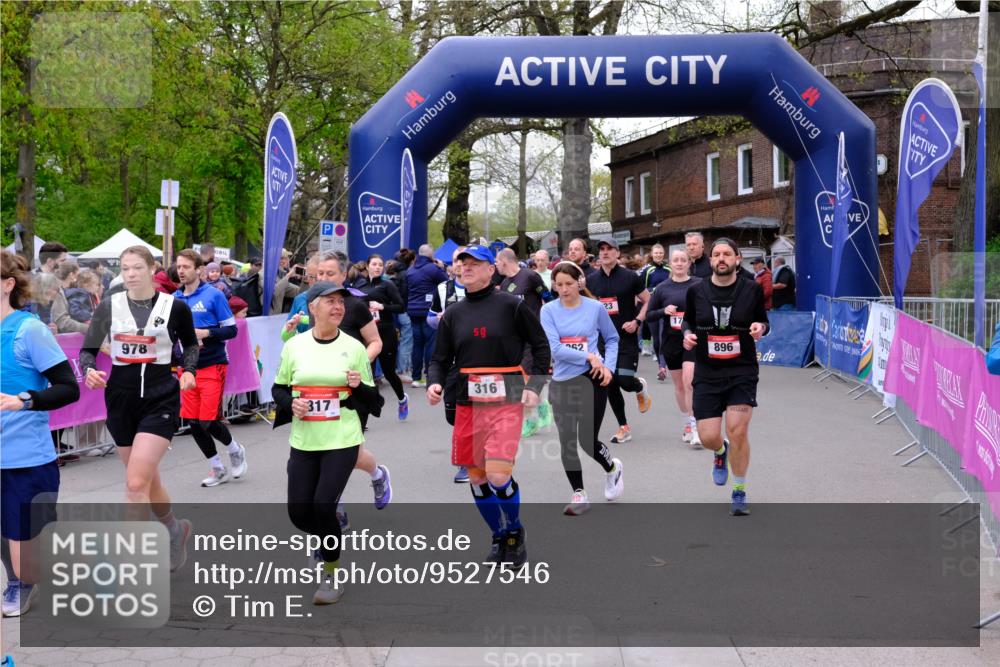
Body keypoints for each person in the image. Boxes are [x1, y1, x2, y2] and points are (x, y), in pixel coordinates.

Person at [427, 245, 550, 565]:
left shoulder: (512, 306)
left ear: (489, 269)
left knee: (497, 475)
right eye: (461, 263)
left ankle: (515, 532)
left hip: (507, 399)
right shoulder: (453, 313)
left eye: (473, 263)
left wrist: (535, 386)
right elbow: (439, 358)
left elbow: (540, 346)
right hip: (468, 402)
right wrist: (434, 383)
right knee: (478, 477)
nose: (465, 268)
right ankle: (499, 535)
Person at [80, 245, 199, 568]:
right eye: (125, 268)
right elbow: (88, 349)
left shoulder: (175, 308)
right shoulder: (108, 306)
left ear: (151, 269)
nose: (130, 274)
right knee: (147, 480)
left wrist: (188, 371)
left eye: (136, 268)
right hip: (120, 400)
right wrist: (88, 370)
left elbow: (189, 345)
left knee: (134, 484)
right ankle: (175, 530)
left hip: (161, 398)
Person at [272, 281, 384, 604]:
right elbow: (279, 389)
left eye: (341, 302)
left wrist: (356, 387)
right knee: (298, 513)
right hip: (305, 439)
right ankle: (325, 538)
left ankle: (332, 575)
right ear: (312, 307)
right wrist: (290, 404)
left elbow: (373, 401)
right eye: (330, 301)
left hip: (342, 438)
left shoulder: (355, 348)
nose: (338, 307)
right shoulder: (295, 346)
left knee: (324, 506)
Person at [282, 252, 390, 529]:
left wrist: (360, 366)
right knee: (321, 484)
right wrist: (290, 329)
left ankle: (377, 475)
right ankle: (329, 519)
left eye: (330, 274)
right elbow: (296, 344)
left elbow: (375, 341)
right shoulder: (310, 303)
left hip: (350, 391)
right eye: (320, 274)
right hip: (314, 400)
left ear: (343, 275)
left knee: (350, 457)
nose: (324, 278)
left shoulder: (355, 306)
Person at [1, 251, 80, 617]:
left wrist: (24, 401)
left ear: (7, 284)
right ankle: (21, 576)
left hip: (25, 456)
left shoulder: (28, 330)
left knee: (22, 534)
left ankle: (23, 582)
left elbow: (68, 388)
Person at [682, 238, 769, 516]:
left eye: (727, 254)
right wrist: (687, 335)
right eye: (717, 254)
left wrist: (760, 327)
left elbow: (764, 320)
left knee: (738, 429)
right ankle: (720, 452)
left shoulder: (751, 289)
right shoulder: (696, 290)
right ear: (710, 261)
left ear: (737, 258)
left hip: (741, 370)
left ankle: (739, 490)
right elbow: (688, 322)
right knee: (708, 436)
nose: (721, 258)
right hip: (707, 371)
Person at [540, 261, 623, 516]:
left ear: (580, 282)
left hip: (592, 379)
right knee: (567, 442)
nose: (564, 289)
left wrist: (607, 367)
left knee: (587, 441)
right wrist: (589, 355)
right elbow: (555, 349)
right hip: (563, 381)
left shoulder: (595, 308)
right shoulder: (548, 311)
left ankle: (613, 468)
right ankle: (579, 493)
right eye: (559, 284)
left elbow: (612, 339)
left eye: (568, 284)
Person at [173, 249, 246, 488]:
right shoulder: (174, 299)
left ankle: (235, 450)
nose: (181, 271)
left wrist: (207, 333)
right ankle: (217, 468)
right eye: (179, 267)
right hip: (187, 369)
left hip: (213, 364)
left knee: (208, 420)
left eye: (186, 267)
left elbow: (232, 330)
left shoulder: (213, 295)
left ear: (199, 270)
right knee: (194, 423)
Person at [586, 238, 652, 444]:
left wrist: (637, 321)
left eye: (609, 249)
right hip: (603, 341)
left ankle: (638, 387)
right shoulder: (592, 280)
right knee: (610, 382)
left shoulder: (630, 277)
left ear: (617, 253)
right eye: (602, 250)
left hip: (626, 337)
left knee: (624, 381)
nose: (605, 253)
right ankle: (624, 426)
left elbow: (648, 300)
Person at [646, 249, 702, 446]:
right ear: (671, 263)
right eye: (676, 260)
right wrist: (664, 311)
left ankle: (696, 428)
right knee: (679, 386)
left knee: (689, 382)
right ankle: (687, 423)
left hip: (692, 340)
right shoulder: (662, 288)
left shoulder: (698, 284)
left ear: (689, 263)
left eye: (683, 260)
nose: (679, 263)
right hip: (671, 341)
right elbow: (649, 315)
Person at [496, 248, 553, 438]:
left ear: (504, 261)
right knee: (520, 377)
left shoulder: (530, 277)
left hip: (533, 335)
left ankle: (530, 421)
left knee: (526, 375)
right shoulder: (504, 284)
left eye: (497, 261)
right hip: (514, 337)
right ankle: (542, 404)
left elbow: (548, 299)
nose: (496, 265)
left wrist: (548, 321)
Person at [428, 247, 472, 483]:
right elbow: (430, 317)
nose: (461, 265)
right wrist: (438, 319)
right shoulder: (443, 289)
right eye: (457, 261)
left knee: (475, 413)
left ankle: (468, 462)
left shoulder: (486, 290)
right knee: (453, 415)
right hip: (452, 361)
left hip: (478, 364)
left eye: (466, 261)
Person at [355, 254, 409, 420]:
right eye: (374, 264)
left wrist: (382, 306)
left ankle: (402, 399)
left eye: (380, 264)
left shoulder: (388, 285)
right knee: (367, 372)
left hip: (386, 333)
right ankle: (365, 413)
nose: (377, 267)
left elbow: (401, 306)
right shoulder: (360, 285)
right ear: (367, 266)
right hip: (367, 334)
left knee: (388, 372)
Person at [406, 244, 448, 388]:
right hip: (427, 310)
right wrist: (442, 267)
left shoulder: (410, 270)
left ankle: (416, 378)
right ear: (431, 255)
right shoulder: (433, 269)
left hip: (412, 311)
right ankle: (430, 376)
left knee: (417, 345)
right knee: (430, 344)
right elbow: (446, 283)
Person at [639, 244, 671, 364]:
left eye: (660, 253)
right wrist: (655, 291)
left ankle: (662, 357)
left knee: (664, 333)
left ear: (664, 254)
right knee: (656, 336)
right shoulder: (647, 269)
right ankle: (654, 349)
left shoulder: (669, 268)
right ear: (652, 254)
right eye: (656, 253)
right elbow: (640, 287)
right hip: (652, 305)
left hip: (666, 305)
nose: (658, 255)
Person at [51, 262, 88, 334]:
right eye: (78, 275)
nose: (80, 278)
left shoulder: (62, 291)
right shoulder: (58, 292)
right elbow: (62, 321)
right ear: (71, 275)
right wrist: (86, 328)